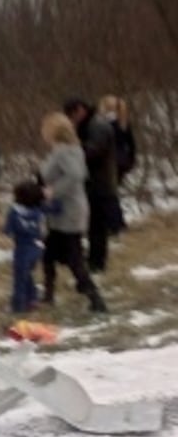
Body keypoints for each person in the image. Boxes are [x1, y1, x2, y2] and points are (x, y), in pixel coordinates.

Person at [39, 112, 107, 312]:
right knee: (49, 255)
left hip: (68, 212)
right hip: (62, 212)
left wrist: (53, 191)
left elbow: (76, 175)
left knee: (74, 258)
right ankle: (49, 296)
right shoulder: (69, 149)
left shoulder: (64, 151)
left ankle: (96, 299)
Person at [62, 97, 118, 272]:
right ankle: (93, 259)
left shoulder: (97, 126)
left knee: (97, 225)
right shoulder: (88, 125)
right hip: (91, 181)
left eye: (72, 115)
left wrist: (73, 151)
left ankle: (97, 263)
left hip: (99, 182)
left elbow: (94, 152)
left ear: (80, 110)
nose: (72, 119)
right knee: (93, 224)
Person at [4, 180, 48, 313]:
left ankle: (18, 306)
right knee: (27, 273)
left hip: (22, 248)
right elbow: (57, 207)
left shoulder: (14, 212)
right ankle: (32, 298)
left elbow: (8, 231)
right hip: (37, 247)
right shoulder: (38, 210)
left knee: (20, 277)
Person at [99, 94, 135, 233]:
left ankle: (114, 223)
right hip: (122, 161)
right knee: (111, 193)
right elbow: (132, 145)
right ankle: (116, 222)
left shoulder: (106, 124)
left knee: (109, 194)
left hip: (111, 163)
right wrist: (130, 161)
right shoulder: (123, 123)